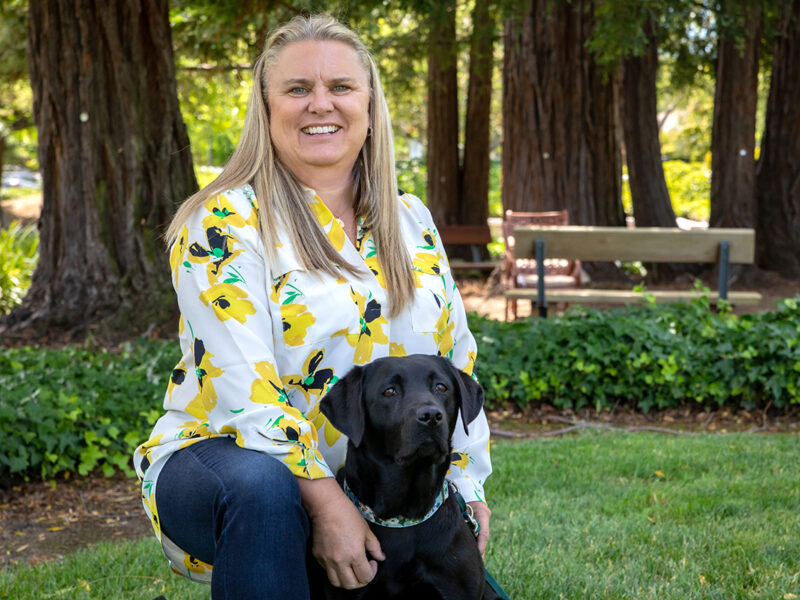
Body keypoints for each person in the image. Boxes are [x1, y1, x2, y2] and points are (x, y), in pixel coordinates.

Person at [133, 13, 492, 599]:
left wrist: (467, 483)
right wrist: (327, 503)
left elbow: (454, 363)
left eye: (341, 87)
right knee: (264, 488)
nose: (320, 104)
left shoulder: (411, 220)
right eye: (298, 88)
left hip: (372, 482)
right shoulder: (223, 221)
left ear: (369, 105)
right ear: (266, 108)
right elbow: (245, 391)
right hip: (223, 460)